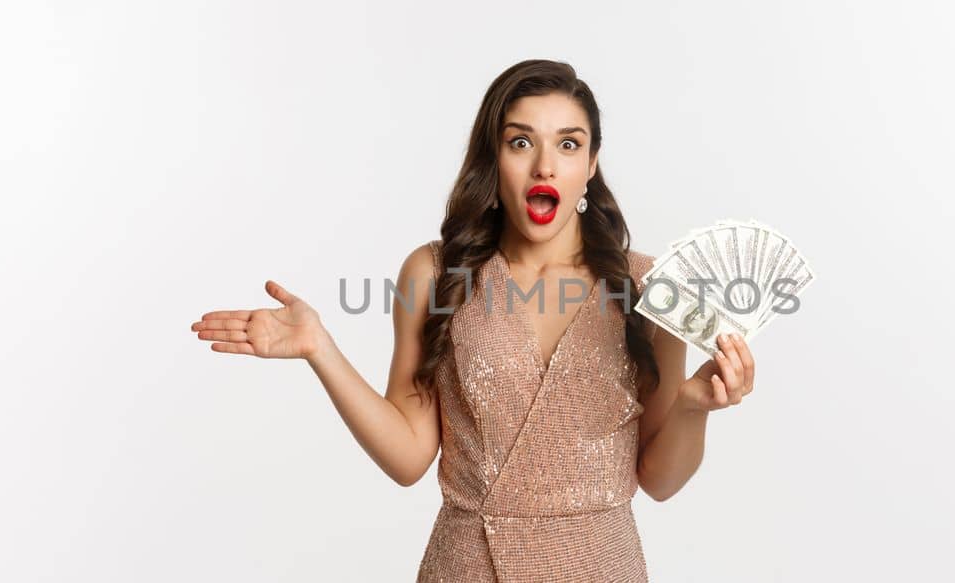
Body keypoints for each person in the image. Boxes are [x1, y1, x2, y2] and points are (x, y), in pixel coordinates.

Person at [190, 59, 757, 582]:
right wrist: (322, 350)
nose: (544, 164)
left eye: (568, 143)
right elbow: (410, 456)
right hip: (469, 565)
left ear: (591, 164)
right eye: (520, 142)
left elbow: (659, 479)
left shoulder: (654, 287)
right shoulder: (435, 274)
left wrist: (692, 406)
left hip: (602, 565)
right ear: (494, 158)